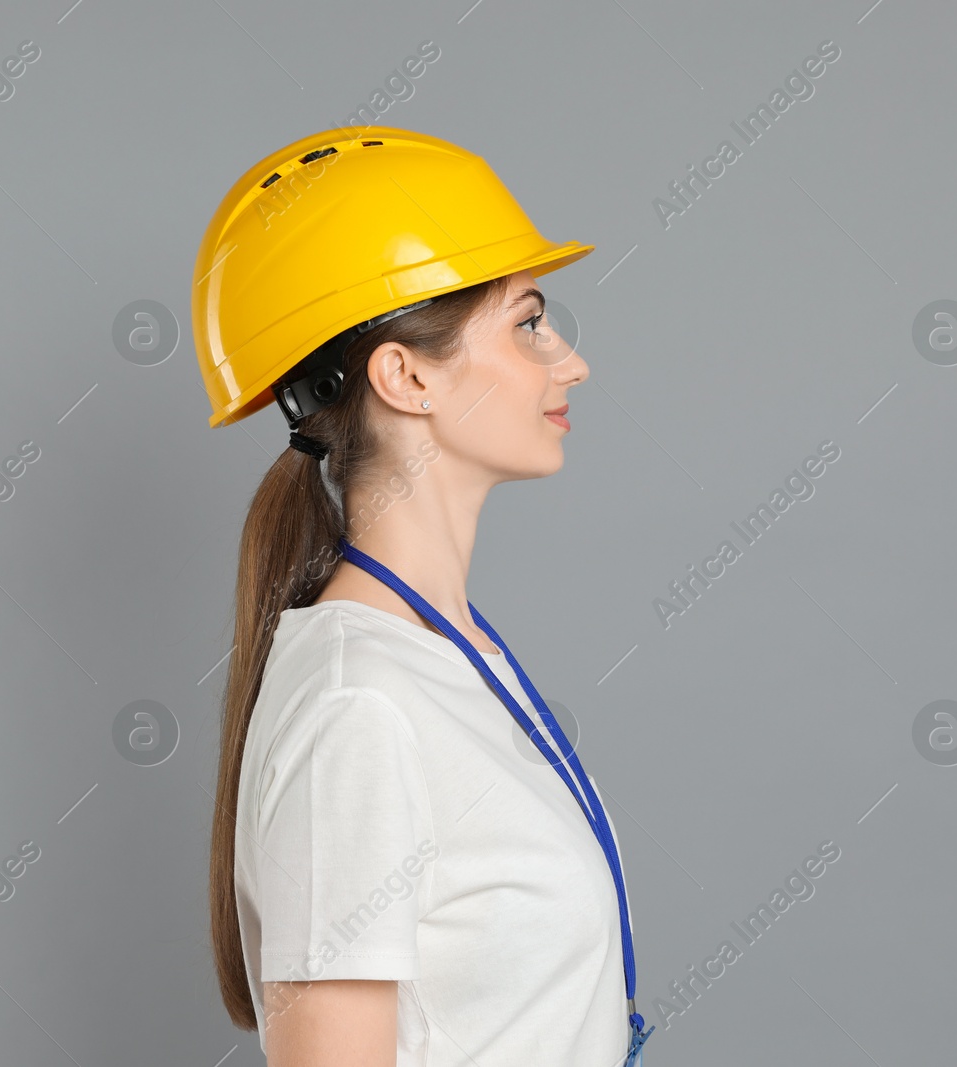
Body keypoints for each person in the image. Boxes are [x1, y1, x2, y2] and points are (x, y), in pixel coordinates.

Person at [194, 128, 641, 1066]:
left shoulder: (446, 654)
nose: (570, 361)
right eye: (527, 322)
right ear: (406, 375)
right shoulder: (360, 703)